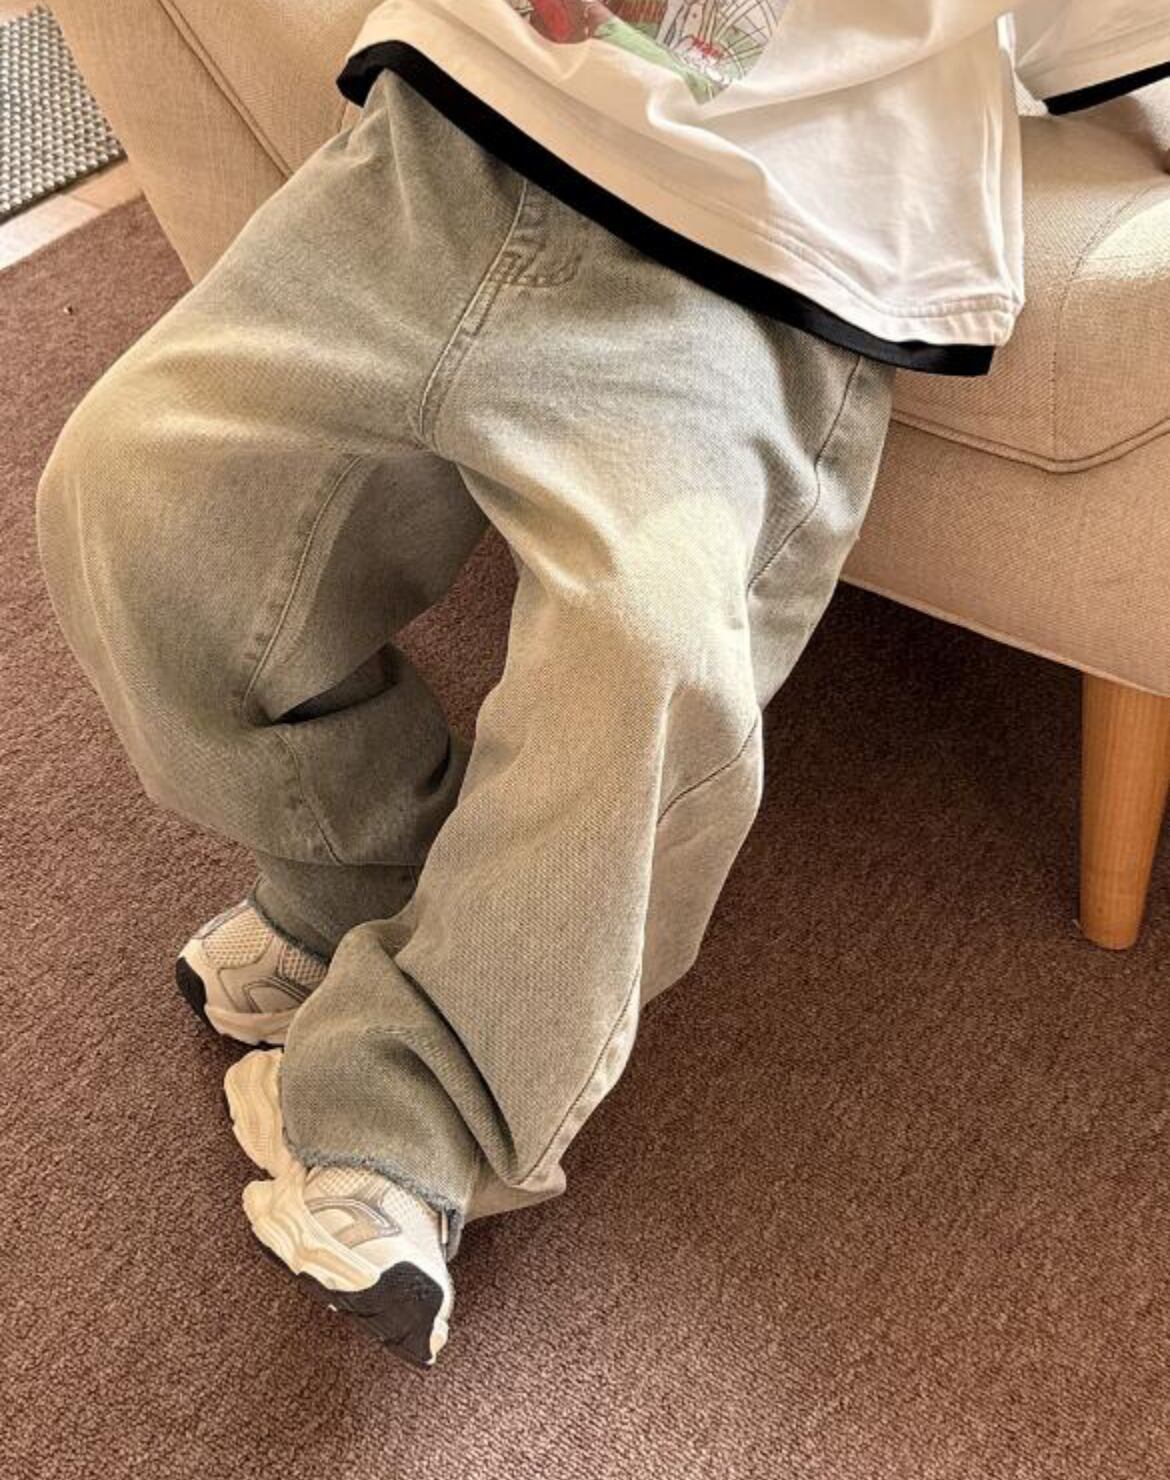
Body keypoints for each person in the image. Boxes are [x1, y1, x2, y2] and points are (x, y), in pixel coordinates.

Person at [35, 1, 1170, 1369]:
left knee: (645, 654)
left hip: (766, 262)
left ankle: (412, 1117)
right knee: (135, 495)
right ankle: (356, 892)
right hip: (444, 136)